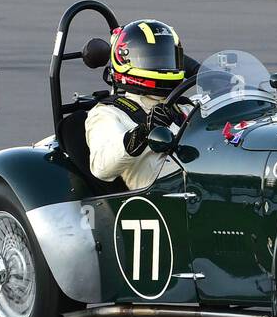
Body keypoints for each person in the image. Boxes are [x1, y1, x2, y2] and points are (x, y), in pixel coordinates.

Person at [84, 19, 199, 191]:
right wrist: (144, 132)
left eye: (167, 57)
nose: (163, 65)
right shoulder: (108, 113)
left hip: (203, 182)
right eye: (153, 58)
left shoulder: (185, 106)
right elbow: (102, 167)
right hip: (162, 196)